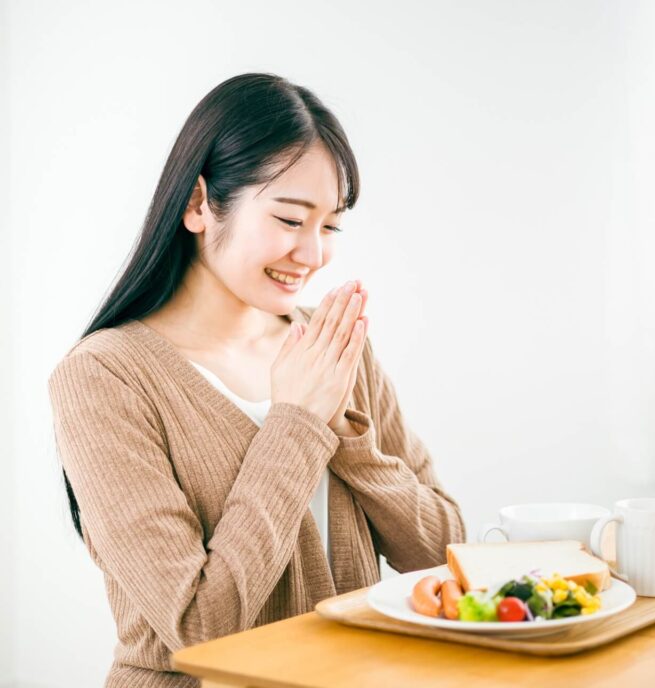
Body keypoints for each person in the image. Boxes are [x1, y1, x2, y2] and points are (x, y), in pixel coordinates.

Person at [46, 73, 466, 688]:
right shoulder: (103, 377)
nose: (314, 253)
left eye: (330, 227)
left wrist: (343, 432)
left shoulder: (332, 345)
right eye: (290, 219)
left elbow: (445, 553)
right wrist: (296, 423)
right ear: (197, 204)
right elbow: (200, 627)